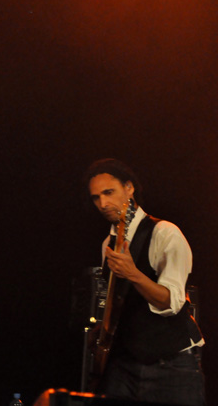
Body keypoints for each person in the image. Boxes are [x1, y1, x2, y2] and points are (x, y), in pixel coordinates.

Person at [85, 158, 205, 405]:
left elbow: (172, 302)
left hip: (170, 363)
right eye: (96, 197)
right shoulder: (108, 244)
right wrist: (104, 330)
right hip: (124, 362)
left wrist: (133, 273)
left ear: (129, 188)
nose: (103, 203)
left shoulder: (165, 232)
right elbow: (119, 302)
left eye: (109, 192)